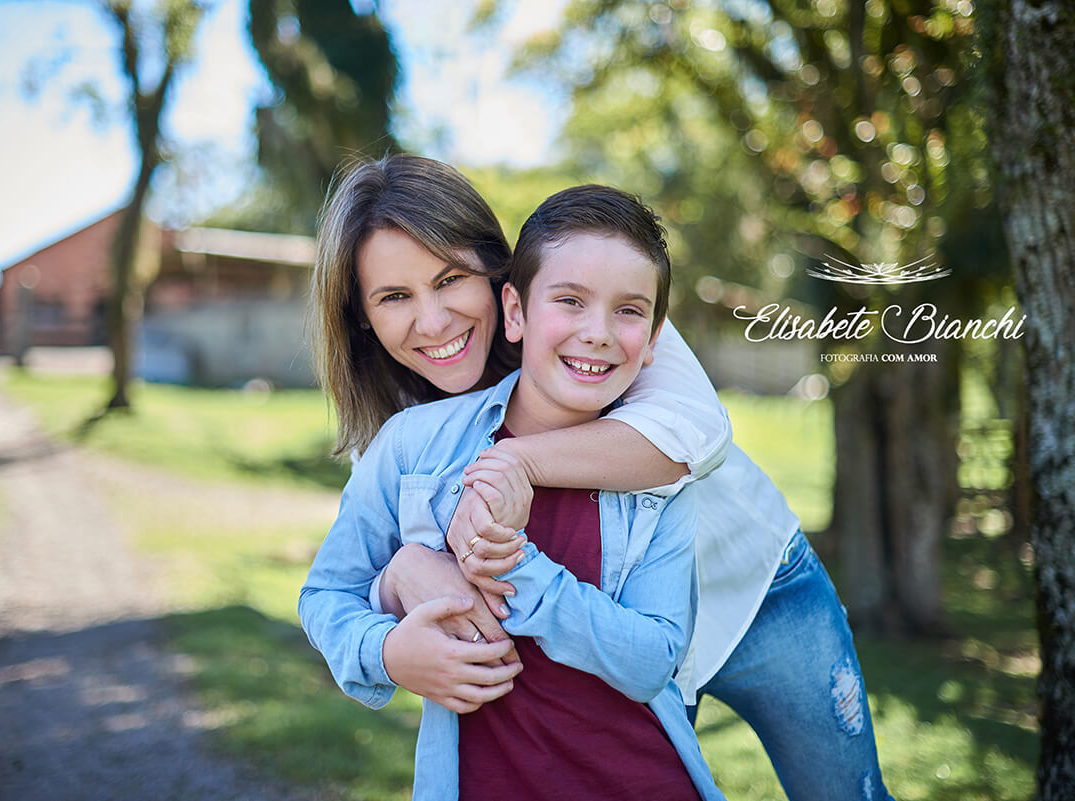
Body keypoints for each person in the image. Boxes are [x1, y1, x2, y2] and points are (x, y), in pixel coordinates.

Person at [307, 154, 894, 801]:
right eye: (394, 296)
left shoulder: (603, 315)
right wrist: (399, 574)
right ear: (359, 313)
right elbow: (351, 574)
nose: (435, 319)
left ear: (500, 277)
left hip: (752, 592)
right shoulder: (413, 436)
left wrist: (519, 462)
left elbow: (689, 439)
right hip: (618, 628)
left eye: (450, 280)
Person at [301, 184, 722, 801]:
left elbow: (652, 661)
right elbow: (327, 594)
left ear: (654, 339)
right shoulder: (414, 445)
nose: (598, 332)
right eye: (396, 295)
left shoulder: (657, 471)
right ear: (517, 310)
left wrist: (515, 569)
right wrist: (389, 650)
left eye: (628, 312)